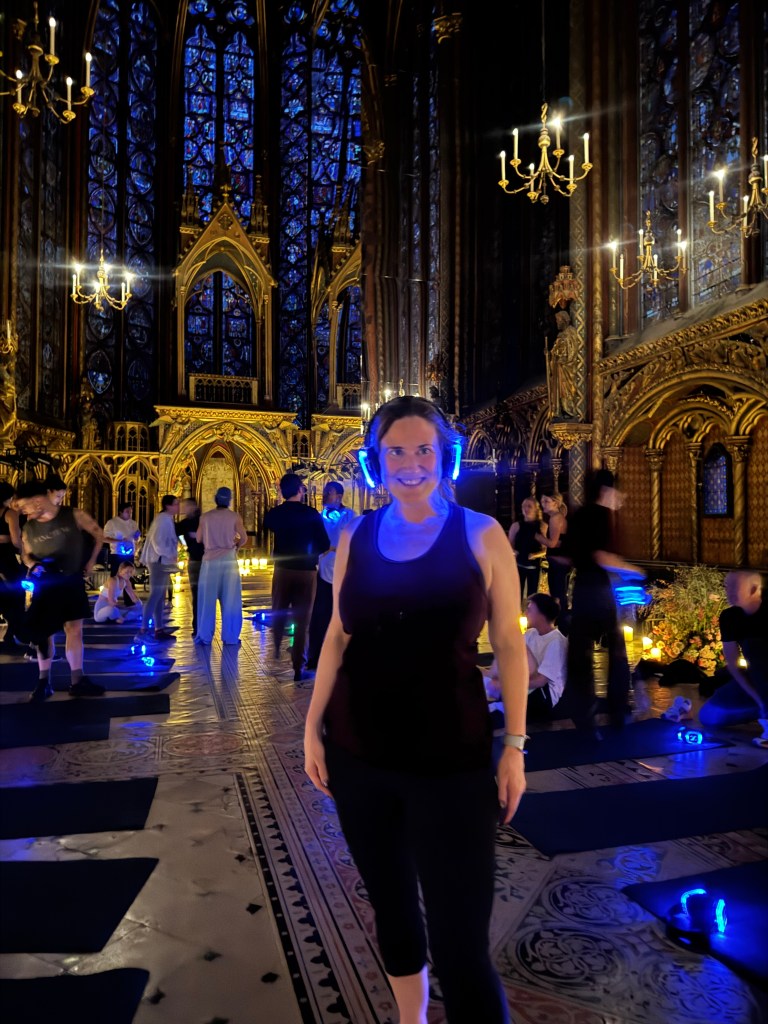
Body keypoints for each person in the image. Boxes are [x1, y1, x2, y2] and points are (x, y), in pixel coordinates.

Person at [304, 395, 527, 1024]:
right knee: (394, 910)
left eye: (422, 449)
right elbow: (337, 637)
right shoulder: (355, 535)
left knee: (460, 943)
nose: (409, 463)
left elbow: (509, 645)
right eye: (394, 451)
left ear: (444, 457)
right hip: (359, 755)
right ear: (375, 462)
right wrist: (311, 726)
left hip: (451, 762)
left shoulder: (479, 534)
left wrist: (514, 745)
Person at [561, 468, 645, 729]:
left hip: (582, 588)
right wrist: (638, 572)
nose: (622, 497)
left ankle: (582, 711)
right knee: (617, 650)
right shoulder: (601, 516)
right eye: (618, 491)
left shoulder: (577, 514)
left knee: (581, 653)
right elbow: (603, 557)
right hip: (601, 589)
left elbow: (564, 556)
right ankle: (618, 710)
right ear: (607, 491)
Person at [15, 479, 105, 701]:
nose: (23, 511)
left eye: (24, 506)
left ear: (37, 501)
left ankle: (77, 680)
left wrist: (91, 561)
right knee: (44, 634)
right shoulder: (28, 527)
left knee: (74, 629)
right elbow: (26, 553)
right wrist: (33, 565)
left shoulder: (73, 515)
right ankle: (44, 681)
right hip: (47, 583)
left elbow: (97, 533)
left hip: (71, 579)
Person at [264, 473, 329, 681]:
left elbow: (269, 525)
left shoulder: (275, 514)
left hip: (283, 569)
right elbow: (325, 544)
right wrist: (311, 553)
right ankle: (298, 667)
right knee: (303, 621)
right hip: (306, 571)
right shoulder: (311, 513)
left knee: (279, 608)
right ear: (300, 490)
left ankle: (275, 647)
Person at [699, 571, 767, 737]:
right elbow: (734, 665)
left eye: (735, 587)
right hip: (756, 679)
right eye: (727, 586)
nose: (728, 591)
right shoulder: (730, 617)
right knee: (709, 716)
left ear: (754, 589)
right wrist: (759, 700)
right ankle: (761, 710)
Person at [484, 593, 567, 724]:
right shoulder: (531, 633)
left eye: (530, 609)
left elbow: (541, 681)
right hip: (527, 685)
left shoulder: (556, 642)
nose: (526, 612)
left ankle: (501, 704)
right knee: (509, 650)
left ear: (541, 614)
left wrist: (507, 685)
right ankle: (497, 697)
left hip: (543, 696)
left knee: (518, 645)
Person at [306, 481, 357, 670]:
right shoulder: (318, 517)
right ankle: (315, 656)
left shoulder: (350, 516)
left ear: (340, 495)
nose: (326, 495)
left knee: (343, 614)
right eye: (325, 492)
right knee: (320, 615)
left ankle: (344, 654)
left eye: (330, 492)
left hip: (343, 570)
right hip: (321, 568)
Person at [194, 487, 247, 646]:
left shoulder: (205, 517)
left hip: (210, 561)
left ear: (215, 499)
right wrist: (236, 546)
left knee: (207, 600)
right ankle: (230, 637)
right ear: (229, 500)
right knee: (230, 599)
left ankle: (205, 636)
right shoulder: (234, 517)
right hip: (229, 559)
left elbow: (198, 539)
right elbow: (243, 538)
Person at [134, 494, 179, 644]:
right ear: (168, 505)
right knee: (155, 595)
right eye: (176, 504)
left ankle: (159, 629)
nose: (178, 507)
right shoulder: (163, 520)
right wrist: (170, 554)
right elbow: (158, 543)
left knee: (160, 596)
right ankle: (143, 631)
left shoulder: (165, 519)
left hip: (162, 562)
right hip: (159, 562)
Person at [0, 481, 27, 654]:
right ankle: (10, 636)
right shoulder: (10, 513)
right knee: (17, 595)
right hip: (5, 558)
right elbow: (16, 540)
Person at [537, 493, 570, 623]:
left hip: (558, 561)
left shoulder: (555, 518)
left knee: (559, 594)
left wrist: (536, 535)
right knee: (558, 593)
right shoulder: (558, 517)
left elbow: (552, 543)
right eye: (542, 501)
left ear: (555, 503)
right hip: (558, 561)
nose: (543, 504)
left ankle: (562, 623)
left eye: (546, 501)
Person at [508, 497, 547, 602]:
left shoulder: (542, 526)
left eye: (529, 506)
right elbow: (509, 544)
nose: (526, 509)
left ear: (536, 509)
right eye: (524, 506)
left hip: (534, 566)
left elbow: (546, 549)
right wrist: (513, 552)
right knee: (516, 593)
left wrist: (535, 555)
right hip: (519, 565)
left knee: (532, 595)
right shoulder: (516, 526)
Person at [176, 497, 204, 638]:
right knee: (196, 594)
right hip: (194, 560)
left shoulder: (203, 520)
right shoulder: (184, 523)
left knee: (205, 594)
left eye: (187, 506)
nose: (184, 509)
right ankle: (197, 626)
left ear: (193, 507)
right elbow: (176, 534)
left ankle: (204, 626)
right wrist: (184, 543)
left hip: (205, 560)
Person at [547, 309, 579, 419]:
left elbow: (569, 354)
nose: (556, 323)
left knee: (568, 392)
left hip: (567, 370)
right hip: (561, 371)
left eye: (558, 320)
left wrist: (555, 355)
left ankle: (570, 410)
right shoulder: (562, 335)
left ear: (564, 321)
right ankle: (563, 410)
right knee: (562, 392)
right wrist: (550, 355)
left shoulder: (570, 333)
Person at [103, 502, 141, 577]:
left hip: (130, 554)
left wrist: (136, 536)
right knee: (117, 576)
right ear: (121, 512)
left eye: (131, 512)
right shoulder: (112, 523)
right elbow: (104, 539)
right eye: (127, 512)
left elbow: (136, 538)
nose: (130, 514)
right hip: (117, 554)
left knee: (128, 577)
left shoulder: (133, 523)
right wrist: (120, 541)